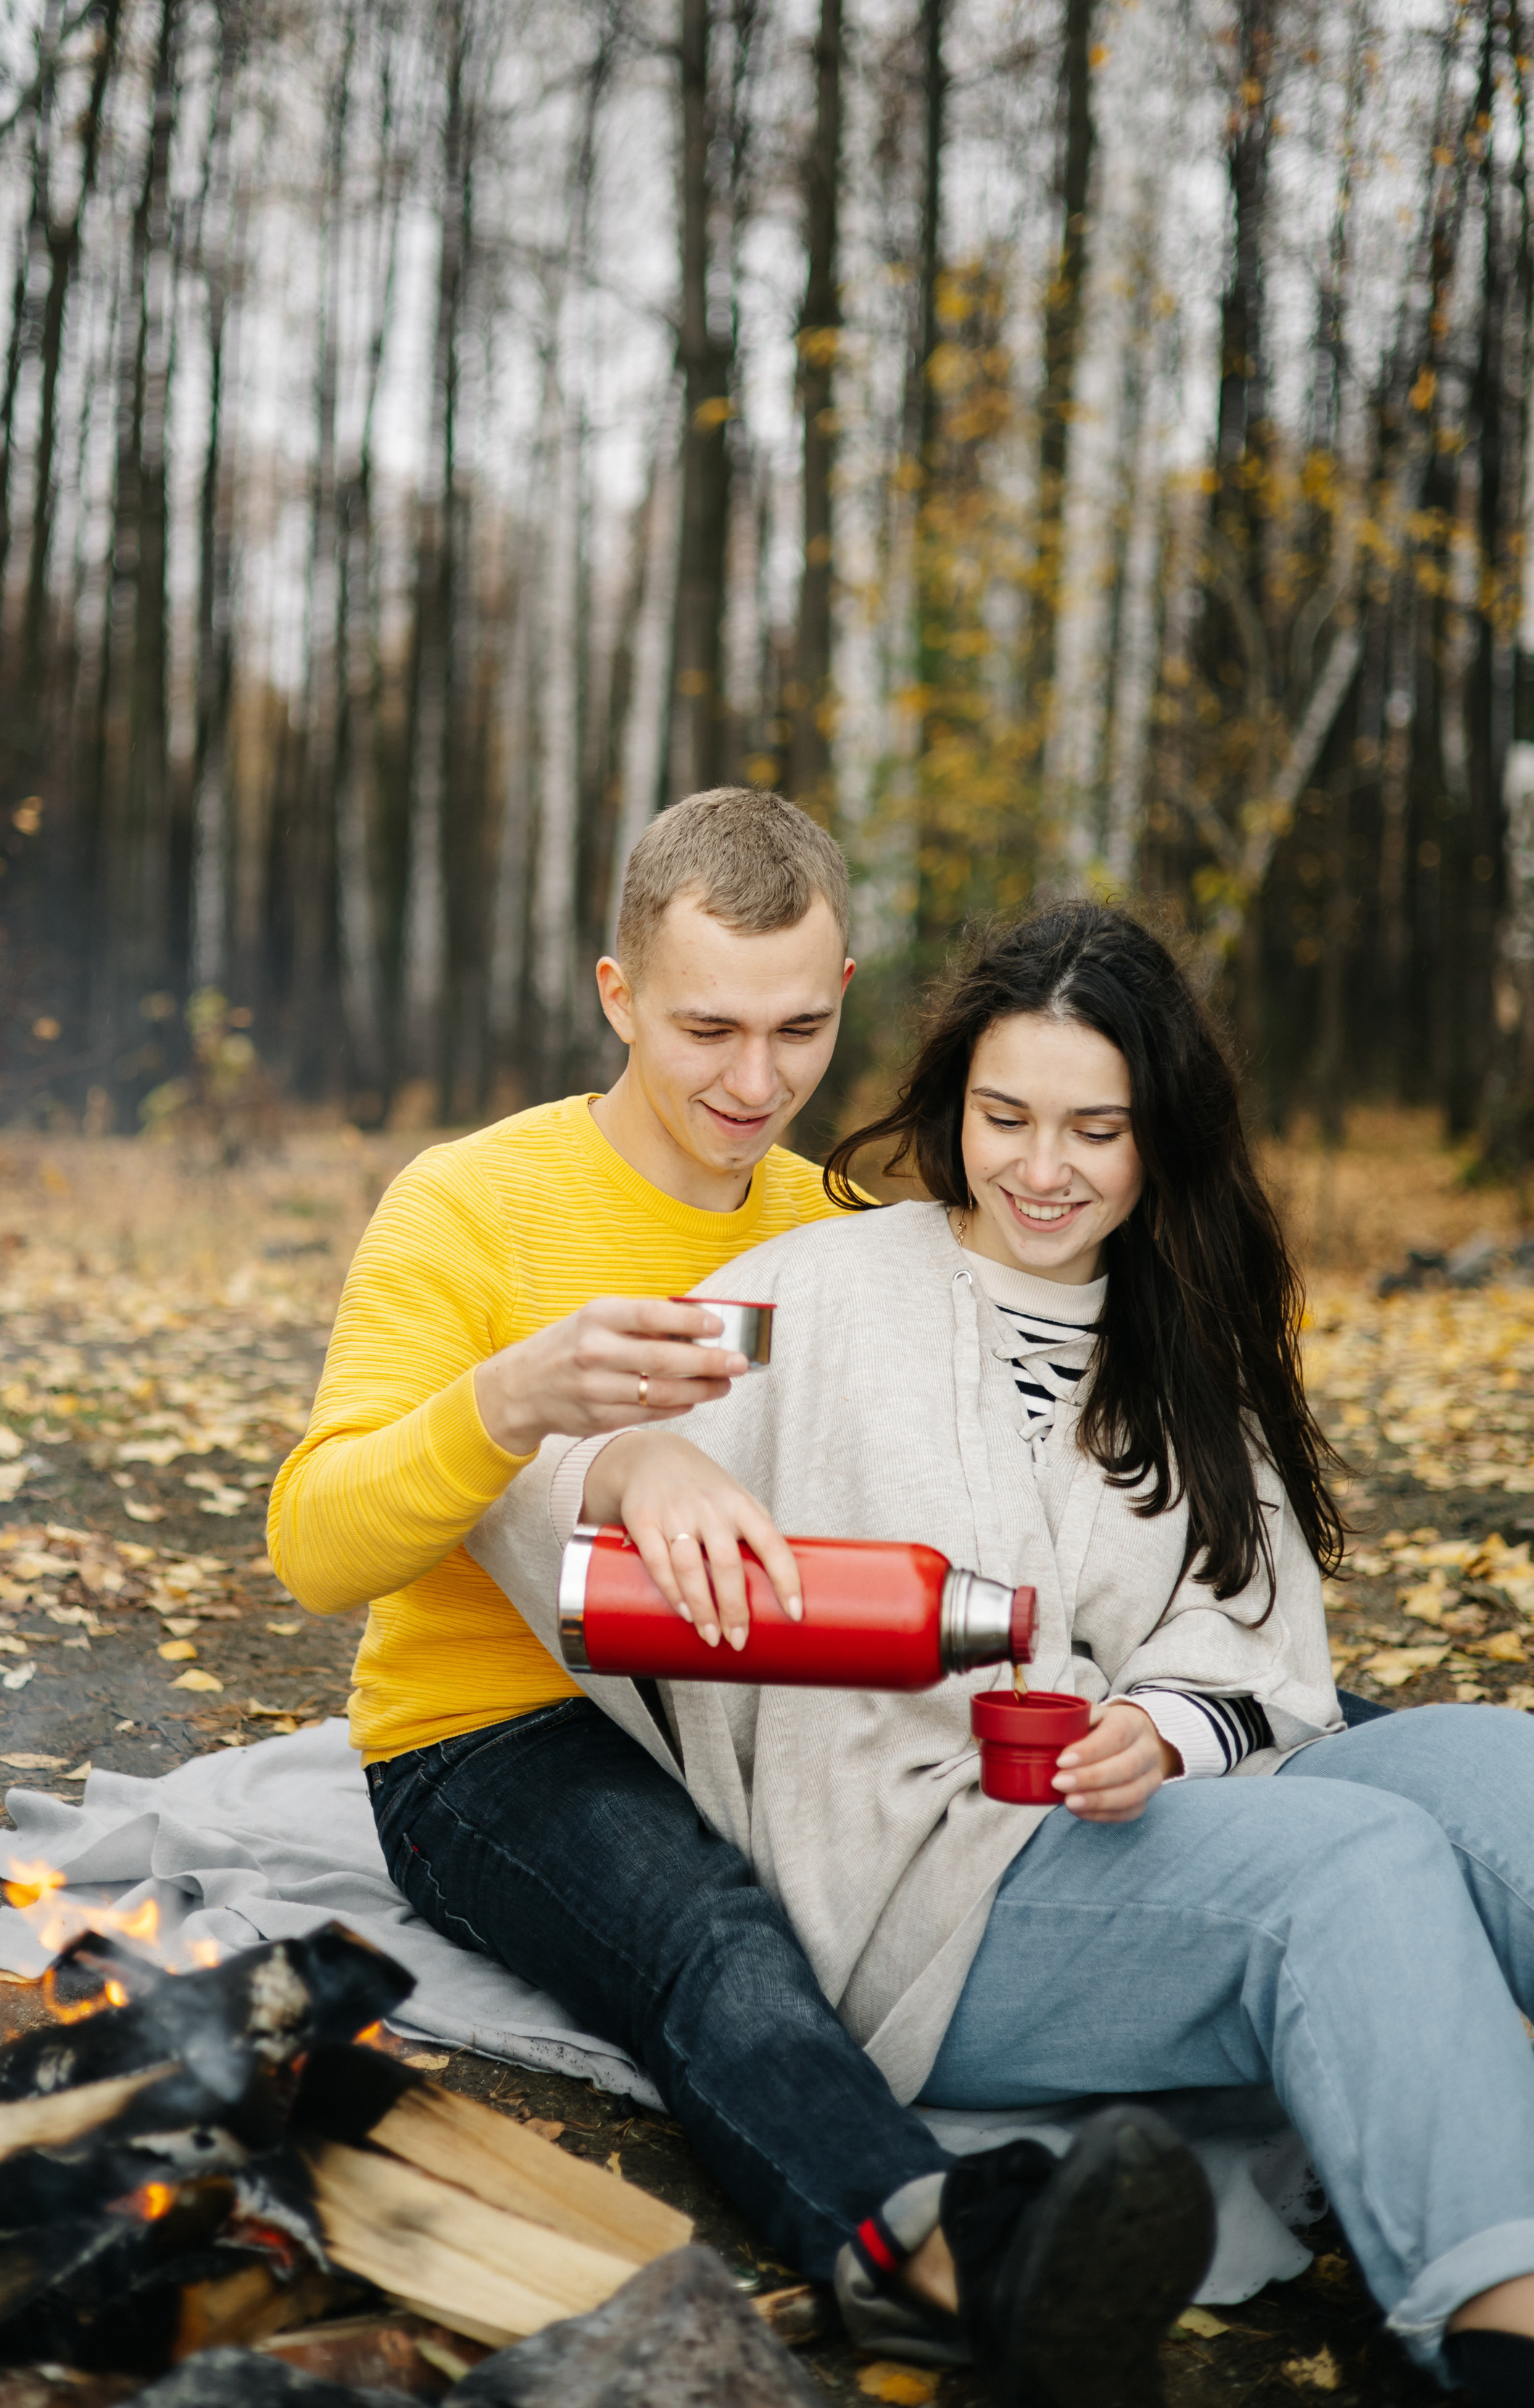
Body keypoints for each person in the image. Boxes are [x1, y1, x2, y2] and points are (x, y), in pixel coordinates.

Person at [474, 900, 1534, 2404]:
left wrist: (1161, 1728)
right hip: (935, 1886)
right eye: (1005, 1118)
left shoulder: (1180, 1338)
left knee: (1500, 1771)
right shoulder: (823, 1294)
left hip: (1153, 1808)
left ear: (1155, 1135)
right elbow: (529, 1471)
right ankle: (1500, 2329)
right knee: (1349, 1862)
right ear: (951, 1108)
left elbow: (1248, 1624)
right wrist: (634, 1469)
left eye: (1093, 1129)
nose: (1044, 1170)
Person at [270, 800, 1216, 2406]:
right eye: (705, 1025)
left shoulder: (830, 1233)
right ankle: (920, 2251)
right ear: (615, 993)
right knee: (715, 1932)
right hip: (497, 1744)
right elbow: (313, 1542)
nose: (753, 1081)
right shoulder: (470, 1206)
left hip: (770, 1717)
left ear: (845, 984)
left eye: (800, 1027)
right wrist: (520, 1402)